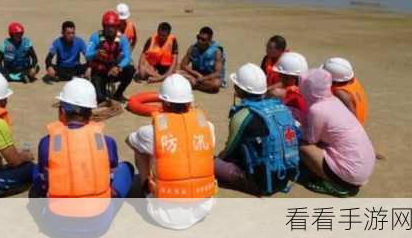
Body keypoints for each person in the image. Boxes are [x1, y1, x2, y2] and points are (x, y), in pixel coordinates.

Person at [31, 78, 134, 236]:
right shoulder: (106, 142)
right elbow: (111, 169)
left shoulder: (47, 143)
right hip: (98, 224)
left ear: (62, 112)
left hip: (57, 224)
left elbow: (44, 176)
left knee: (36, 173)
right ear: (90, 113)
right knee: (125, 168)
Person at [126, 74, 216, 230]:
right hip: (203, 207)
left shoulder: (150, 132)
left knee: (142, 149)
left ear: (163, 102)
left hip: (163, 214)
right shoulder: (208, 127)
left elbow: (129, 140)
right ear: (190, 102)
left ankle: (146, 187)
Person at [214, 63, 300, 196]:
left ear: (238, 89)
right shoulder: (280, 107)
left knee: (209, 162)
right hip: (286, 177)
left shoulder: (244, 114)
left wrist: (218, 160)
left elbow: (228, 152)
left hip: (262, 182)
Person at [299, 68, 375, 197]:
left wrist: (298, 126)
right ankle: (340, 178)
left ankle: (334, 183)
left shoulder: (317, 109)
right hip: (364, 170)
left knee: (302, 146)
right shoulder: (334, 100)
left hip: (350, 176)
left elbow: (311, 140)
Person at [86, 11, 135, 103]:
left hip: (113, 71)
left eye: (113, 26)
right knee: (101, 100)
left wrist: (118, 67)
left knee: (130, 69)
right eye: (108, 26)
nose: (110, 29)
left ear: (117, 27)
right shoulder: (95, 37)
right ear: (104, 26)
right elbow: (87, 55)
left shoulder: (122, 39)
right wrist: (96, 53)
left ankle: (118, 93)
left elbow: (127, 57)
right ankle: (99, 89)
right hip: (99, 73)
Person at [322, 57, 369, 126]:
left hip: (352, 127)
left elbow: (352, 117)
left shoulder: (340, 93)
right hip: (360, 123)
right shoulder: (353, 81)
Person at [179, 26, 225, 93]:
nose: (199, 41)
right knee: (177, 74)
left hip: (209, 78)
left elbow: (217, 73)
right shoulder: (193, 48)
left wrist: (202, 79)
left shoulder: (216, 51)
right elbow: (183, 65)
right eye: (198, 37)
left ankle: (193, 85)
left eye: (203, 39)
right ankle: (201, 86)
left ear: (209, 40)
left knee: (216, 84)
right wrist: (197, 74)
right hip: (196, 75)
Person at [267, 52, 309, 124]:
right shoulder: (309, 89)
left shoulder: (291, 96)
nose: (279, 76)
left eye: (280, 74)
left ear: (290, 77)